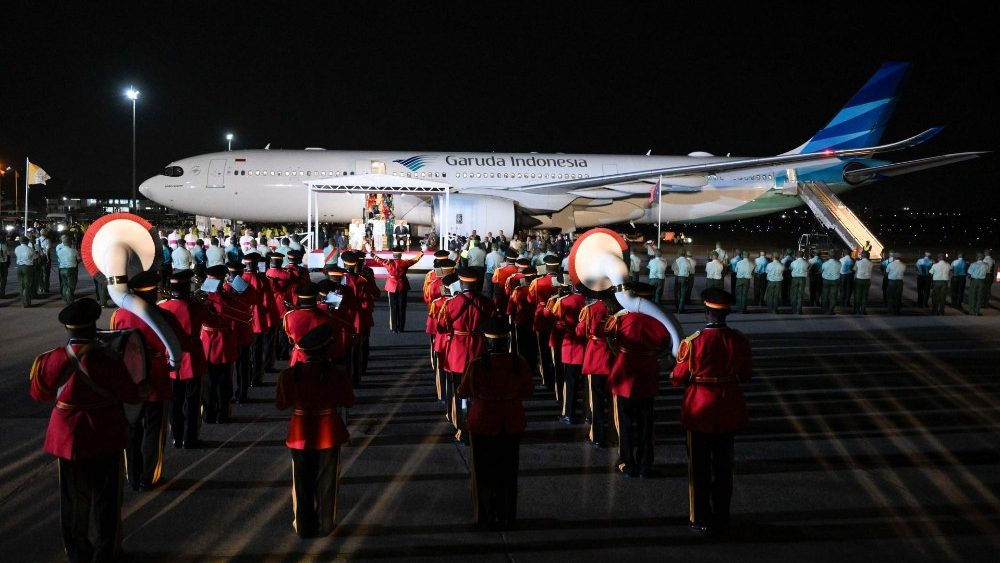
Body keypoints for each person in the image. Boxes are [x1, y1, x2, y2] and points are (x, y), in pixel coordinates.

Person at [29, 298, 145, 562]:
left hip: (69, 439)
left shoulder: (52, 359)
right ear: (93, 327)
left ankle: (78, 553)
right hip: (105, 433)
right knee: (107, 500)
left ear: (68, 329)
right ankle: (106, 552)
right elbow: (130, 393)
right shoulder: (108, 359)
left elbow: (39, 394)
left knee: (73, 500)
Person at [671, 288, 752, 536]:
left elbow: (678, 378)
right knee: (724, 467)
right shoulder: (739, 340)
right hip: (728, 406)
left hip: (700, 409)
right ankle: (722, 515)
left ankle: (701, 518)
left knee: (699, 468)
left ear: (706, 311)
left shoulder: (694, 342)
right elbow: (746, 376)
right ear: (726, 313)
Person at [275, 324, 355, 538]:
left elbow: (282, 404)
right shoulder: (337, 374)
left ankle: (303, 525)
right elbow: (348, 401)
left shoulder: (290, 375)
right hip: (328, 431)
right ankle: (324, 525)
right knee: (327, 484)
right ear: (325, 350)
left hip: (300, 432)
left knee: (301, 483)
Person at [457, 316, 533, 529]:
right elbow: (528, 391)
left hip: (483, 421)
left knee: (483, 473)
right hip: (511, 419)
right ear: (507, 340)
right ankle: (508, 515)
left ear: (487, 341)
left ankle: (485, 517)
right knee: (509, 471)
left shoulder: (477, 364)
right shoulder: (519, 362)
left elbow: (464, 391)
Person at [598, 283, 672, 478]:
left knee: (625, 422)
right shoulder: (660, 321)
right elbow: (665, 345)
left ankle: (627, 462)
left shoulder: (622, 319)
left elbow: (608, 339)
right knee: (646, 424)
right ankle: (645, 463)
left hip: (625, 374)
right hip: (647, 374)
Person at [109, 271, 172, 490]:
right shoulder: (161, 314)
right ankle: (149, 476)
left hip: (130, 377)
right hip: (156, 375)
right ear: (154, 292)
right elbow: (177, 344)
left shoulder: (119, 315)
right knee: (154, 430)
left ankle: (133, 476)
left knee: (132, 428)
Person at [439, 267, 496, 443]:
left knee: (458, 391)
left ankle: (461, 428)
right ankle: (477, 425)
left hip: (457, 350)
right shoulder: (486, 302)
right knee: (477, 392)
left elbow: (441, 326)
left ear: (461, 283)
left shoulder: (452, 303)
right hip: (478, 348)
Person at [158, 270, 207, 449]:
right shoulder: (195, 307)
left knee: (174, 401)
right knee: (192, 403)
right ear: (187, 288)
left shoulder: (162, 307)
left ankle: (176, 437)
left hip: (170, 358)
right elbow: (211, 318)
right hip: (192, 359)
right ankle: (190, 438)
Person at [371, 247, 422, 333]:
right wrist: (421, 253)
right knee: (402, 307)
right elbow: (415, 260)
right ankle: (401, 327)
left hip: (391, 286)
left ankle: (394, 328)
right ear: (400, 255)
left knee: (393, 307)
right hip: (402, 285)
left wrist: (373, 255)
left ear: (393, 255)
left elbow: (379, 260)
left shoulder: (388, 262)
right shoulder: (405, 263)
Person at [56, 235, 81, 305]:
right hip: (71, 269)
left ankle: (65, 298)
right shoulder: (74, 251)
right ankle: (69, 300)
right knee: (71, 285)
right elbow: (78, 259)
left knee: (64, 284)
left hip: (62, 269)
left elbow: (59, 260)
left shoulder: (59, 252)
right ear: (70, 243)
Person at [15, 236, 37, 307]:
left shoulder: (17, 248)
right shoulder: (30, 249)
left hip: (19, 267)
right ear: (27, 241)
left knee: (21, 285)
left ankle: (23, 301)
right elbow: (35, 258)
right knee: (27, 285)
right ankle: (27, 302)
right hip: (28, 267)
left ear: (20, 241)